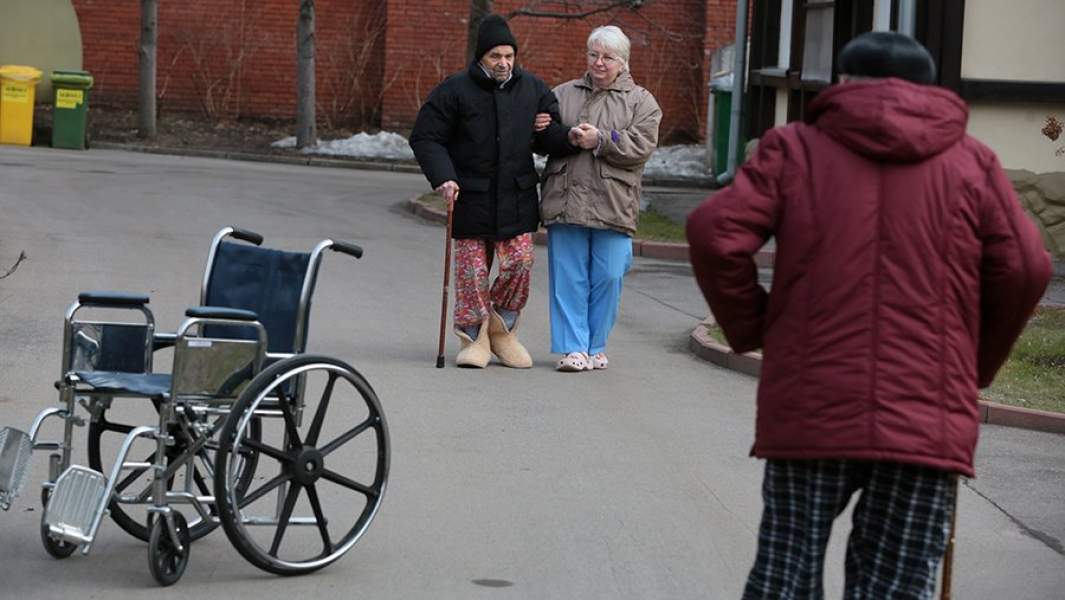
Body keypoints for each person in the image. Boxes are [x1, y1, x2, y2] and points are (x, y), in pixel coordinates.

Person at [686, 32, 1051, 599]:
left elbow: (714, 233)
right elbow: (1027, 266)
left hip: (811, 408)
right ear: (929, 90)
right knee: (898, 589)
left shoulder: (795, 149)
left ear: (845, 85)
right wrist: (972, 365)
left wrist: (751, 326)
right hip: (926, 418)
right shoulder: (973, 162)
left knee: (785, 575)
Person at [409, 14, 572, 369]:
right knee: (471, 273)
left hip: (517, 197)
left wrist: (564, 133)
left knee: (520, 264)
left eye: (509, 56)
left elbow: (548, 139)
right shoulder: (454, 91)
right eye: (496, 56)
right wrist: (444, 177)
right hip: (471, 197)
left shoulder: (532, 88)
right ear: (481, 56)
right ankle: (473, 338)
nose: (503, 63)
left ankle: (501, 329)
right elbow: (426, 137)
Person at [535, 25, 661, 372]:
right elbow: (542, 134)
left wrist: (603, 139)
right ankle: (573, 348)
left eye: (607, 57)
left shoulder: (641, 101)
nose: (599, 62)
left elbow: (641, 144)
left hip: (613, 203)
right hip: (566, 198)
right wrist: (558, 132)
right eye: (594, 55)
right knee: (568, 275)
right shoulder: (562, 94)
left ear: (623, 61)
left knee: (609, 273)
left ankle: (596, 343)